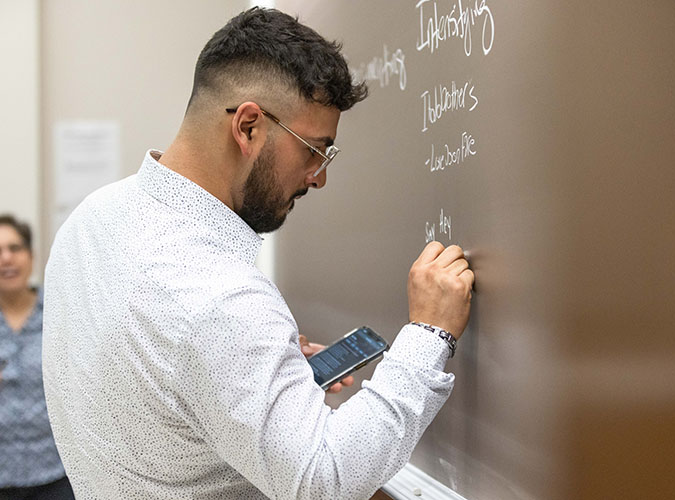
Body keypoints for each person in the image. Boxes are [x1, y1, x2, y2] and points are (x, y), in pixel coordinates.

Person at [43, 8, 474, 500]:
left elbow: (151, 381)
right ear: (248, 126)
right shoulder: (220, 298)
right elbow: (324, 478)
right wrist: (428, 334)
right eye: (315, 149)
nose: (319, 176)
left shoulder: (91, 219)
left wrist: (247, 373)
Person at [0, 215, 74, 500]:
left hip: (56, 473)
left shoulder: (60, 313)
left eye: (15, 248)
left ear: (30, 256)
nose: (7, 258)